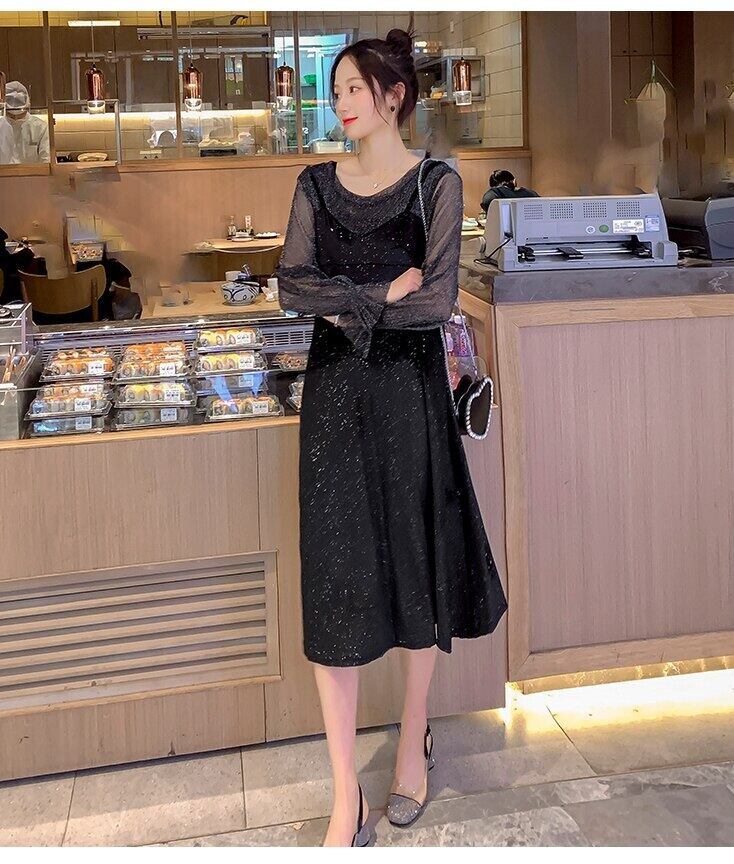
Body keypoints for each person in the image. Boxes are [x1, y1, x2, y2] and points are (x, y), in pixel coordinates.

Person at [275, 28, 507, 847]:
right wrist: (381, 293)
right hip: (335, 405)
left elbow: (436, 301)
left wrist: (350, 302)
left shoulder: (436, 185)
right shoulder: (314, 184)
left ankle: (413, 739)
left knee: (416, 565)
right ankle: (346, 792)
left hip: (410, 402)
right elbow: (291, 286)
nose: (339, 101)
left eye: (353, 88)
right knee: (334, 583)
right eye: (335, 89)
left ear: (394, 96)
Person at [0, 81, 49, 165]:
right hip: (2, 173)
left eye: (20, 115)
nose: (15, 118)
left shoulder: (41, 128)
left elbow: (46, 161)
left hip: (33, 173)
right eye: (11, 116)